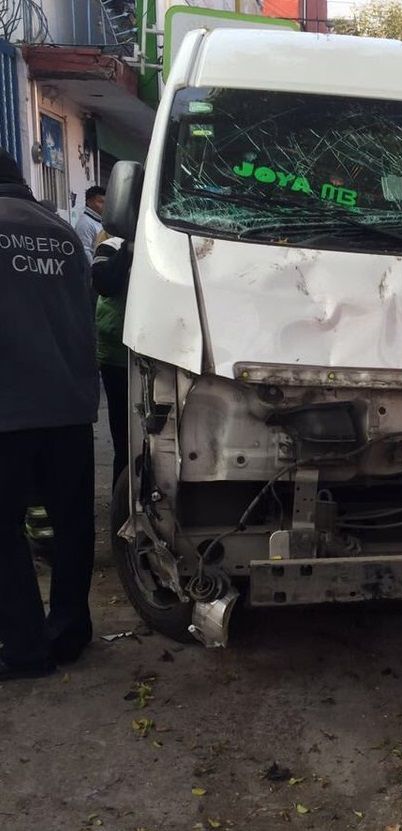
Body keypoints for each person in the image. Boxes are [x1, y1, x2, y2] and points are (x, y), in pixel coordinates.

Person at [0, 148, 98, 681]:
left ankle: (24, 649)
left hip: (9, 409)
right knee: (71, 523)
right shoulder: (62, 233)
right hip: (69, 405)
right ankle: (69, 632)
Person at [92, 232, 133, 485]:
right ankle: (123, 492)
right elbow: (105, 284)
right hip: (118, 357)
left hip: (160, 355)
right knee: (125, 437)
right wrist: (129, 248)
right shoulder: (110, 248)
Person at [74, 185, 105, 265]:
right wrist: (93, 269)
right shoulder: (85, 223)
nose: (104, 205)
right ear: (89, 202)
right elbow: (85, 251)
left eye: (106, 202)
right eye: (101, 202)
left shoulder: (99, 221)